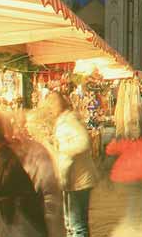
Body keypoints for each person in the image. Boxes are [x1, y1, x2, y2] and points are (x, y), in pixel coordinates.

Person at [4, 111, 66, 237]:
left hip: (34, 222)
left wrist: (50, 224)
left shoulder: (35, 152)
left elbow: (49, 189)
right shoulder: (7, 153)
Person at [43, 93, 96, 237]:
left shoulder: (69, 122)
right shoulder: (63, 121)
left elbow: (83, 142)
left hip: (78, 179)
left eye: (51, 106)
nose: (49, 110)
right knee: (72, 224)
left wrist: (62, 151)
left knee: (77, 225)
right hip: (73, 179)